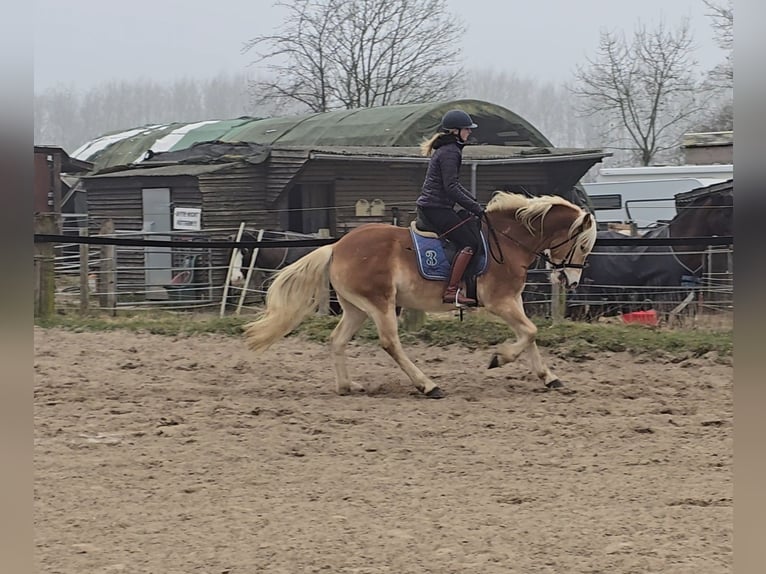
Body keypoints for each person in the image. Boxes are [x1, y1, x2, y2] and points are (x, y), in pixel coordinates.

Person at [416, 109, 484, 306]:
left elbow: (455, 185)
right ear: (456, 131)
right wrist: (476, 208)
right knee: (469, 243)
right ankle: (452, 291)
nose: (469, 132)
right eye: (467, 129)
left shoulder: (448, 149)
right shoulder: (451, 152)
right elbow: (451, 187)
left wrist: (475, 204)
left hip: (437, 207)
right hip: (435, 209)